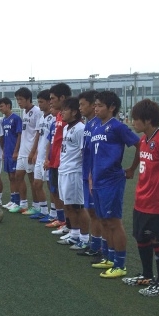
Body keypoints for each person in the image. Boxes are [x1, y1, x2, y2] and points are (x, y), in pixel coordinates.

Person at [122, 99, 159, 297]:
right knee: (141, 238)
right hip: (141, 199)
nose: (133, 123)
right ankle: (147, 275)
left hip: (157, 203)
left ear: (148, 120)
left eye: (136, 119)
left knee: (158, 241)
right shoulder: (144, 139)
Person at [89, 91, 139, 278]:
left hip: (112, 180)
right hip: (98, 181)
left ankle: (120, 264)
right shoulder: (96, 127)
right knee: (103, 220)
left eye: (100, 105)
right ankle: (109, 257)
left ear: (111, 108)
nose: (96, 108)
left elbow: (139, 144)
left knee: (114, 221)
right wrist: (91, 176)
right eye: (95, 105)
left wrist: (132, 168)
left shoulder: (118, 127)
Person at [55, 98, 90, 250]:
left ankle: (85, 237)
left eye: (65, 110)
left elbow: (84, 153)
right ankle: (74, 234)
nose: (61, 112)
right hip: (64, 170)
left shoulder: (81, 128)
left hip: (74, 171)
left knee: (78, 206)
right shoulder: (66, 128)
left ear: (74, 112)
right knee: (67, 204)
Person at [77, 90, 104, 259]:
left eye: (82, 105)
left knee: (97, 213)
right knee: (91, 211)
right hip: (86, 173)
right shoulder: (88, 124)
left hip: (95, 175)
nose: (80, 108)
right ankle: (94, 245)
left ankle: (101, 247)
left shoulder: (99, 124)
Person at [44, 83, 71, 234]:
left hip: (64, 163)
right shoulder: (58, 116)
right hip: (54, 161)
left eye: (53, 98)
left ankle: (69, 224)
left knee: (64, 195)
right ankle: (61, 220)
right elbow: (52, 139)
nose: (51, 101)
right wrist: (48, 158)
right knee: (54, 190)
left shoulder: (70, 117)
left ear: (62, 98)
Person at [14, 87, 43, 215]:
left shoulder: (37, 112)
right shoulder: (24, 112)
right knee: (18, 176)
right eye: (17, 99)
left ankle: (36, 206)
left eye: (20, 99)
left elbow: (38, 133)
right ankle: (23, 204)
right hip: (22, 151)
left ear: (28, 99)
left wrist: (34, 151)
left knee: (33, 180)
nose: (18, 102)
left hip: (30, 151)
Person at [30, 90, 54, 221]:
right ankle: (43, 210)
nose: (39, 104)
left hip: (48, 157)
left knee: (51, 186)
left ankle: (54, 213)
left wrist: (48, 157)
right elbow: (39, 136)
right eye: (38, 102)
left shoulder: (54, 118)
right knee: (37, 184)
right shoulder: (42, 117)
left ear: (49, 102)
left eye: (41, 102)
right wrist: (35, 152)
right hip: (40, 156)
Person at [0, 98, 22, 211]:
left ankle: (18, 201)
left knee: (15, 176)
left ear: (8, 106)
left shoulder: (16, 118)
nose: (0, 108)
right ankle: (13, 200)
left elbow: (19, 136)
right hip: (7, 152)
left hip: (13, 152)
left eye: (2, 106)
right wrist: (3, 151)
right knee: (10, 177)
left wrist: (16, 151)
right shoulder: (4, 120)